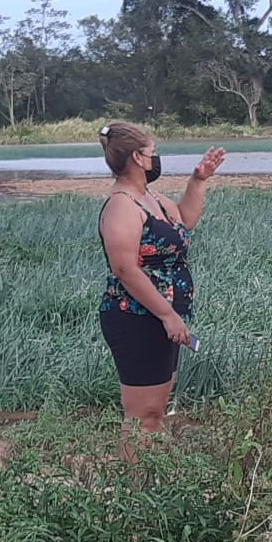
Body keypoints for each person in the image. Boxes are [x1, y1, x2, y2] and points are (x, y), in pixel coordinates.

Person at [97, 121, 226, 463]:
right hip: (137, 318)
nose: (157, 159)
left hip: (161, 319)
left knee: (155, 410)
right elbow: (125, 269)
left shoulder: (149, 197)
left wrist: (198, 180)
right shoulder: (123, 205)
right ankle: (136, 488)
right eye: (153, 153)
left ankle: (149, 482)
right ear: (138, 158)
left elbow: (184, 218)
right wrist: (167, 314)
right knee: (143, 416)